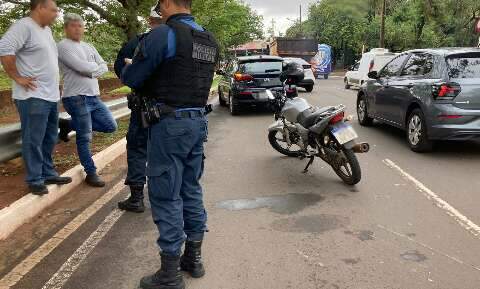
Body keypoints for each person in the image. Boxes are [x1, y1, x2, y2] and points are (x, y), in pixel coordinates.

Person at [121, 0, 218, 288]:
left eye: (159, 5)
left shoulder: (163, 34)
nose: (158, 11)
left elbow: (133, 77)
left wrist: (132, 68)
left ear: (166, 4)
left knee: (166, 195)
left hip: (169, 125)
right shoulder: (208, 38)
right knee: (190, 188)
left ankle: (170, 274)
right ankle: (194, 258)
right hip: (197, 122)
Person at [0, 0, 72, 195]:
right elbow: (4, 48)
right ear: (40, 7)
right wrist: (17, 77)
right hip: (32, 96)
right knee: (34, 138)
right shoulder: (24, 26)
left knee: (49, 136)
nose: (56, 14)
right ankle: (34, 179)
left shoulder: (46, 31)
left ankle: (47, 172)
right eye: (53, 10)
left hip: (49, 96)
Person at [57, 13, 117, 187]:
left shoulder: (89, 46)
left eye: (80, 26)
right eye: (73, 25)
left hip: (93, 97)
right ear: (66, 28)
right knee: (85, 137)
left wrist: (94, 69)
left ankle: (68, 125)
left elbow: (104, 66)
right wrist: (95, 68)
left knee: (110, 126)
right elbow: (83, 68)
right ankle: (90, 172)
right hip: (75, 98)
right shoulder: (62, 46)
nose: (77, 29)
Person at [114, 7, 163, 213]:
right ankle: (166, 195)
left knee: (137, 148)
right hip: (171, 107)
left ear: (149, 20)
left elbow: (121, 71)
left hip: (143, 106)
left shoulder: (137, 42)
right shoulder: (179, 39)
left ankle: (136, 197)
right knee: (164, 150)